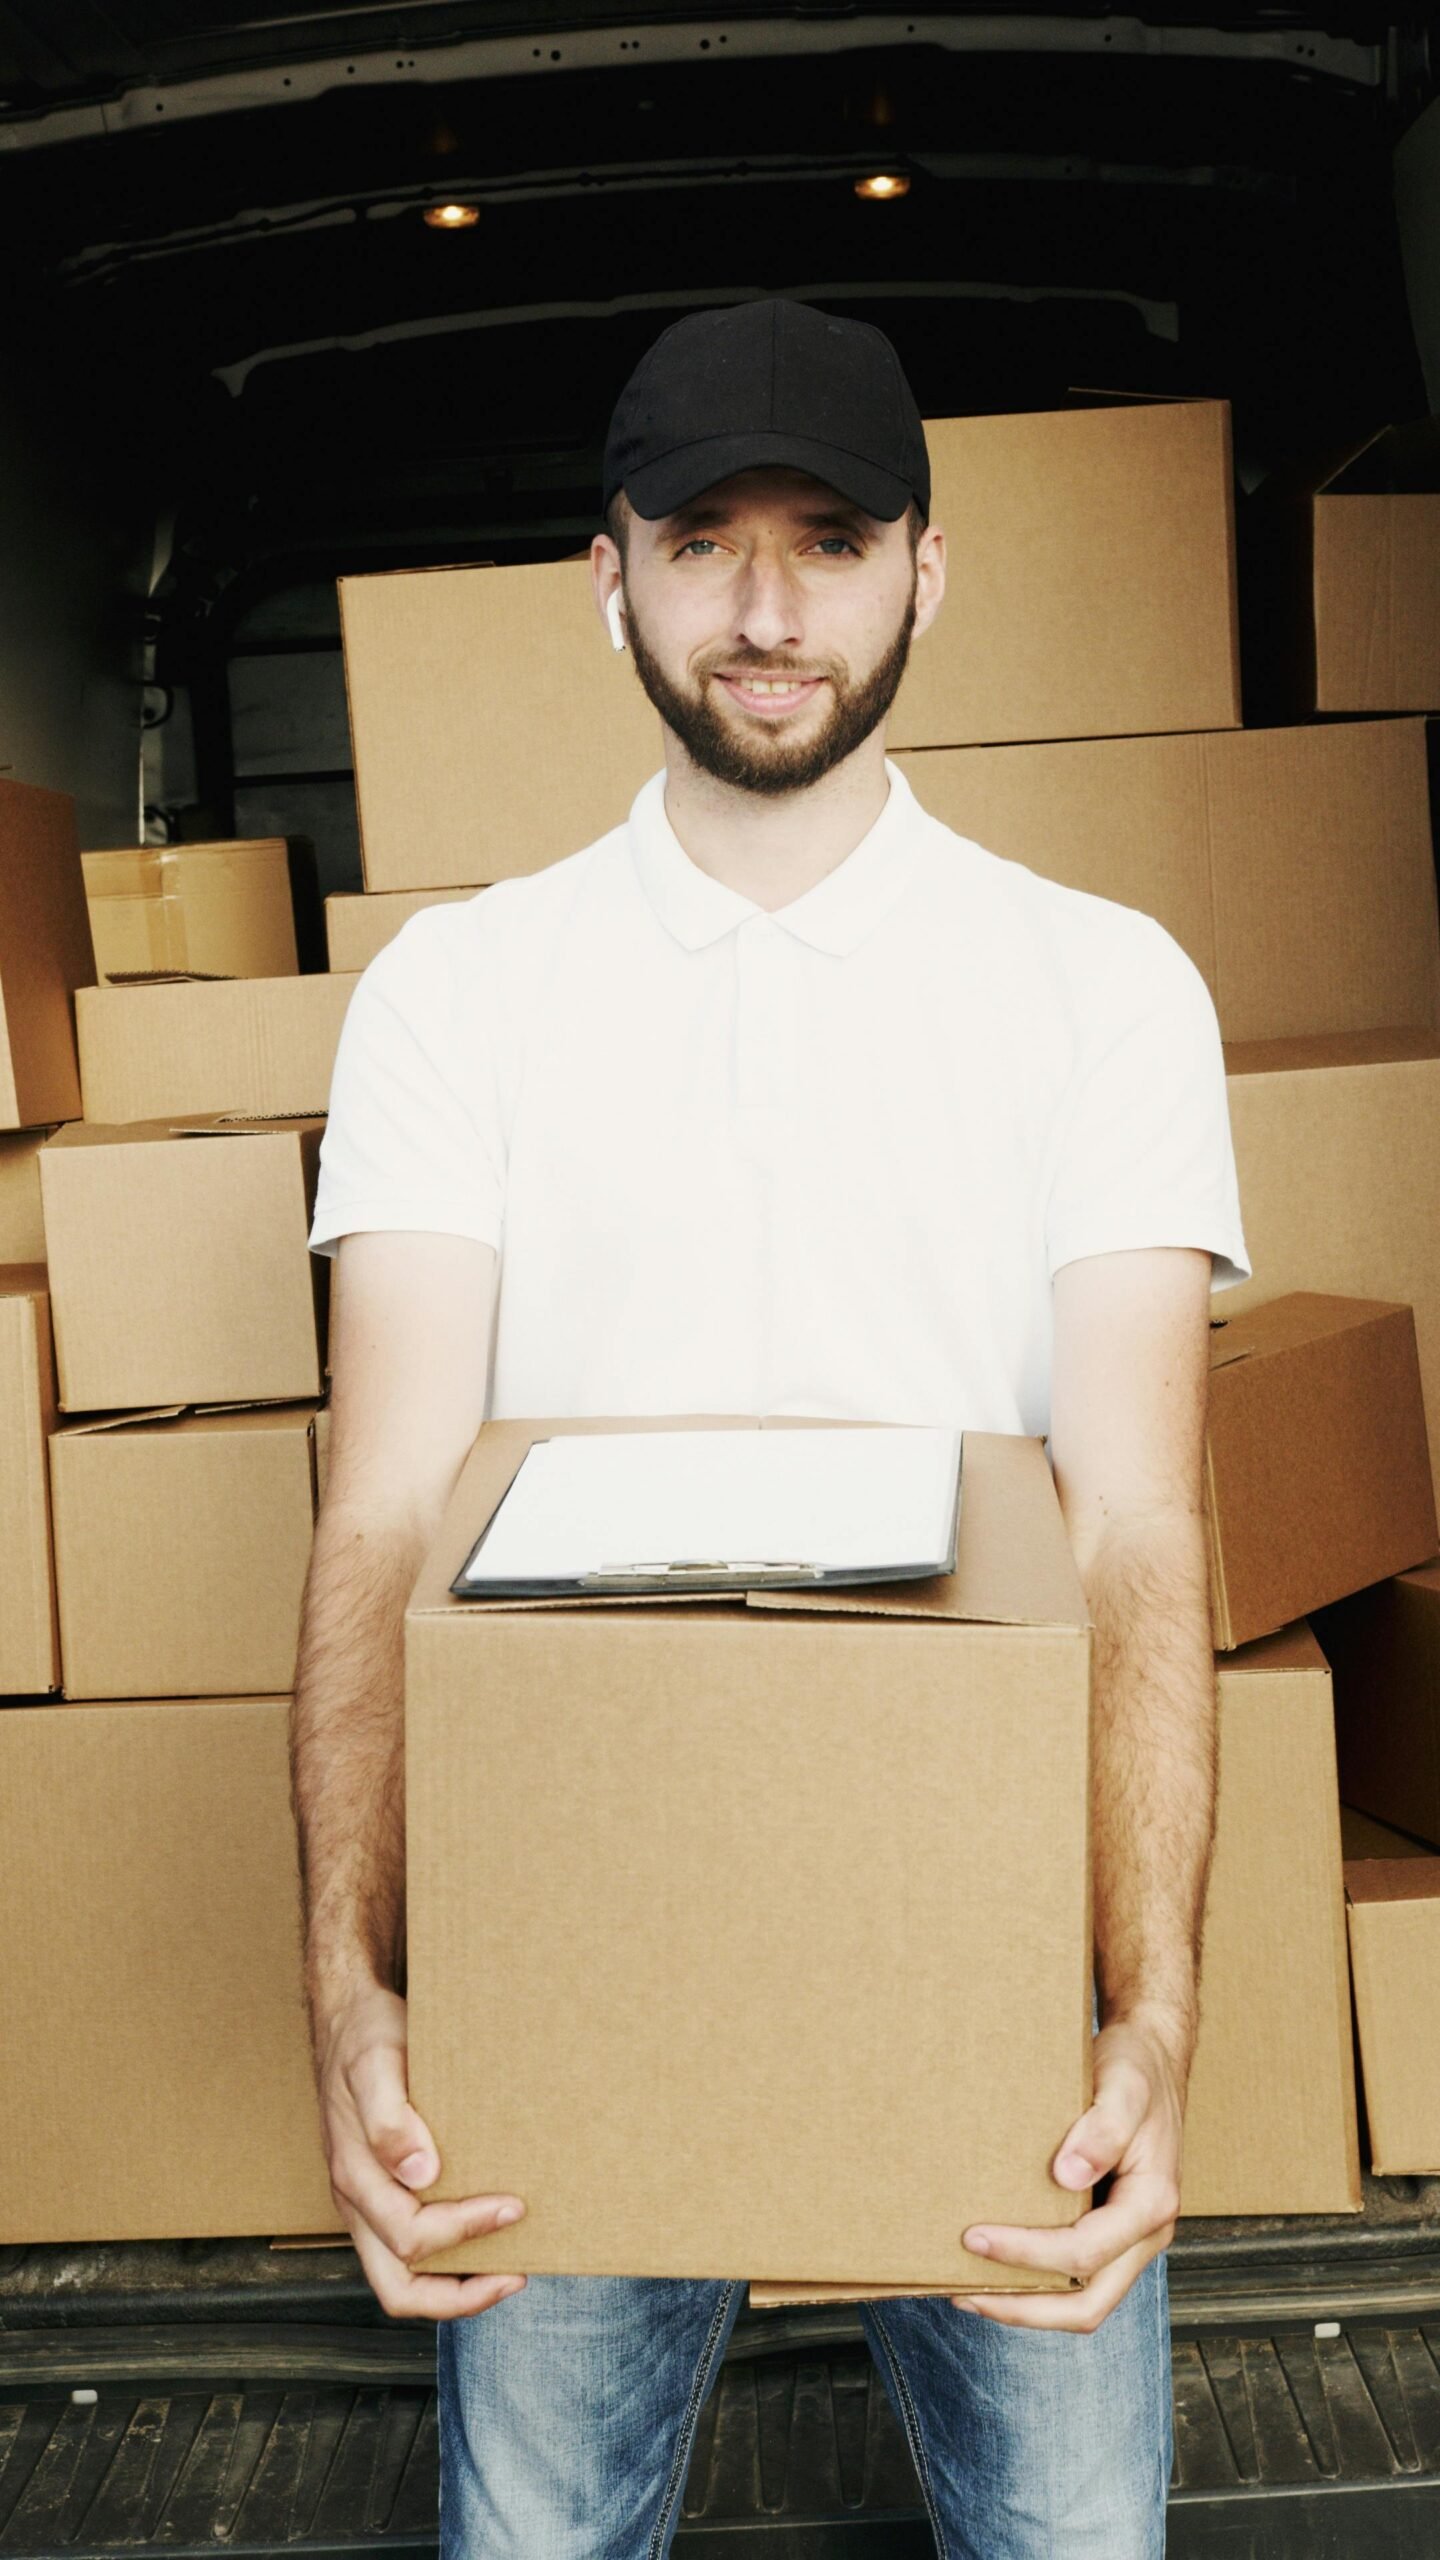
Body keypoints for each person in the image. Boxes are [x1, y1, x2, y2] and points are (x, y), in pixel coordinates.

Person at [293, 296, 1249, 2559]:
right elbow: (380, 1520)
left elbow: (1130, 1525)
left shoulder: (1100, 988)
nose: (763, 607)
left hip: (983, 1942)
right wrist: (355, 1997)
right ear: (601, 575)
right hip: (572, 1934)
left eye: (828, 538)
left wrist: (1156, 2017)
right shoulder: (462, 992)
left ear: (931, 567)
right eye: (700, 536)